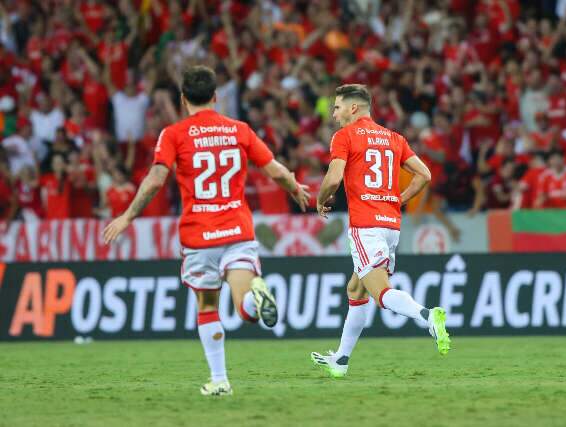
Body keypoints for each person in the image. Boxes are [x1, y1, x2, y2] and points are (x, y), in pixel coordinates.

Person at [102, 65, 310, 396]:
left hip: (199, 236)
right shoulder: (239, 130)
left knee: (208, 306)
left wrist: (127, 216)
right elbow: (274, 169)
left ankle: (220, 379)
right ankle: (255, 302)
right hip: (237, 231)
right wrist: (295, 187)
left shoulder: (173, 134)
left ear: (183, 99)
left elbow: (156, 178)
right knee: (244, 305)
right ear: (215, 97)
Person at [311, 84, 450, 379]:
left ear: (353, 108)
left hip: (365, 225)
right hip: (390, 226)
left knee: (380, 293)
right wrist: (397, 200)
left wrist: (320, 200)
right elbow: (424, 175)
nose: (334, 114)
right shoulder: (393, 138)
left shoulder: (344, 136)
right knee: (355, 289)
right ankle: (341, 359)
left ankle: (427, 316)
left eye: (336, 107)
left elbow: (334, 178)